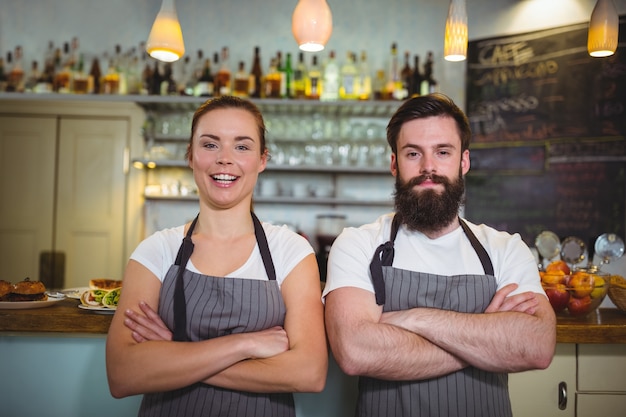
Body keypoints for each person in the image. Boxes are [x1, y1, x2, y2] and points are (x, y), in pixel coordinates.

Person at [322, 93, 556, 417]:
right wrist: (485, 336)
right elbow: (354, 352)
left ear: (464, 162)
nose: (428, 167)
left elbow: (537, 347)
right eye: (413, 153)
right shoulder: (358, 244)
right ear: (394, 164)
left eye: (442, 152)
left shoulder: (504, 249)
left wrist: (410, 318)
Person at [106, 96, 328, 417]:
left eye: (242, 147)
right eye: (210, 145)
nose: (225, 159)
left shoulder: (291, 251)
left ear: (262, 159)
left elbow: (309, 372)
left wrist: (175, 352)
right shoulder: (156, 250)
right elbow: (122, 374)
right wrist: (245, 345)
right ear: (191, 156)